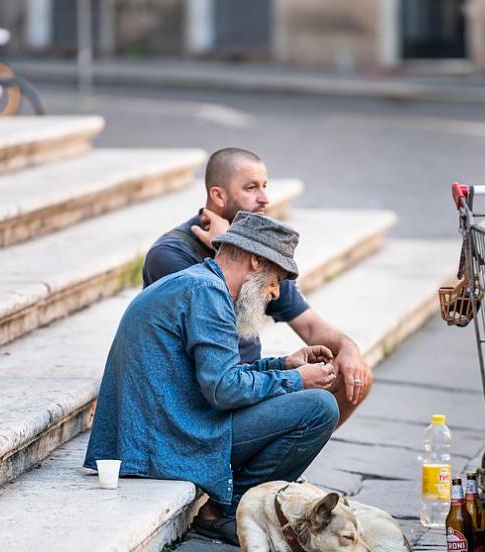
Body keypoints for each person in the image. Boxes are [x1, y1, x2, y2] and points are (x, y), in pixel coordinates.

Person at [85, 212, 341, 546]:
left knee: (306, 399)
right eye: (276, 278)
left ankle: (227, 507)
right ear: (254, 261)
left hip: (159, 434)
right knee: (319, 407)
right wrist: (298, 381)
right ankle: (231, 513)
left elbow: (220, 378)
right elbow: (224, 390)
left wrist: (285, 366)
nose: (276, 292)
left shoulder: (200, 284)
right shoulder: (207, 293)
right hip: (161, 445)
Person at [142, 147, 372, 426]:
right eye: (251, 188)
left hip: (250, 379)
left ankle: (286, 457)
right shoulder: (170, 255)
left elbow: (310, 326)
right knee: (316, 404)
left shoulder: (260, 252)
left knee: (354, 376)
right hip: (204, 394)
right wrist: (225, 248)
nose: (264, 199)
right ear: (218, 195)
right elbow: (209, 319)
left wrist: (348, 348)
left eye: (265, 186)